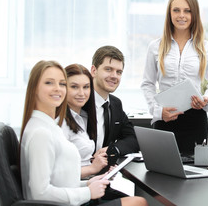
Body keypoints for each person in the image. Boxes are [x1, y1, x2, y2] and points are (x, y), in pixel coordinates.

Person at [19, 60, 147, 206]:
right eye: (49, 83)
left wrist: (88, 185)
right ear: (34, 87)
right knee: (138, 202)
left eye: (61, 84)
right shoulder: (41, 133)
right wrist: (88, 191)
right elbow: (39, 193)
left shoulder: (47, 126)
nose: (58, 89)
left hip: (74, 197)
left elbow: (60, 180)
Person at [141, 0, 208, 155]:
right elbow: (147, 83)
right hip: (165, 118)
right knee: (162, 172)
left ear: (194, 14)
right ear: (169, 14)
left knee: (194, 171)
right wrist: (157, 111)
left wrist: (207, 98)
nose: (181, 15)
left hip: (195, 119)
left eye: (187, 11)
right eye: (176, 10)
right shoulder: (155, 47)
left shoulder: (205, 47)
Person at [91, 46, 139, 163]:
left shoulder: (115, 104)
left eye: (119, 72)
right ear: (94, 71)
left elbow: (133, 139)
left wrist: (114, 149)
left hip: (103, 172)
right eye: (108, 69)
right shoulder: (79, 100)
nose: (114, 76)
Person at [62, 63, 107, 178]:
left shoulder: (81, 117)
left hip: (88, 182)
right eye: (74, 87)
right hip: (75, 188)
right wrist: (92, 169)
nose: (82, 93)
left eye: (86, 87)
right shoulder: (60, 123)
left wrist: (100, 165)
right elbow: (59, 174)